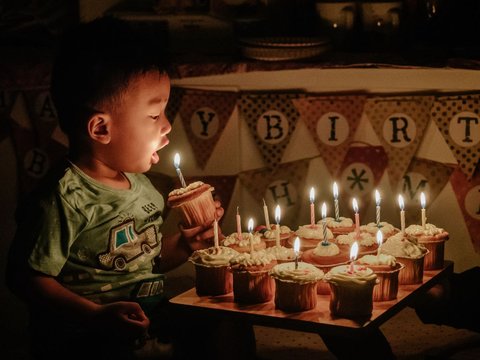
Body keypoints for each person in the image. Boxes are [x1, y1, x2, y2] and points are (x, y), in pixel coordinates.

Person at [6, 16, 255, 360]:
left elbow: (143, 259)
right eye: (154, 116)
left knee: (230, 315)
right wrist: (93, 315)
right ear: (100, 128)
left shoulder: (141, 186)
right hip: (84, 335)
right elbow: (25, 278)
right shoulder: (63, 199)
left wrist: (184, 244)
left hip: (146, 318)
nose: (167, 126)